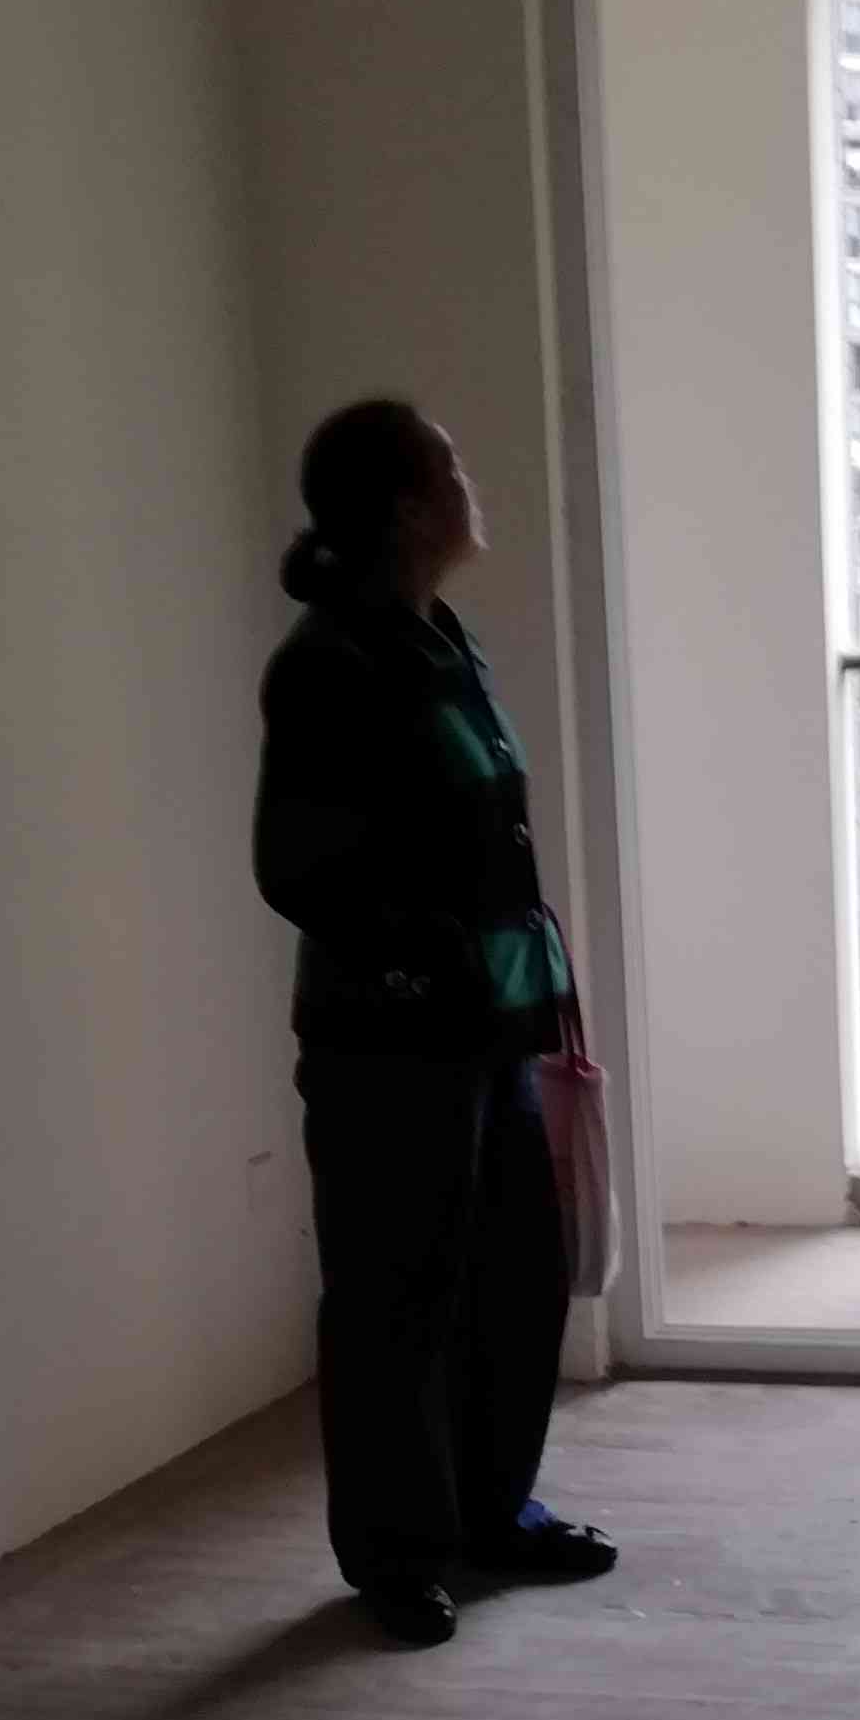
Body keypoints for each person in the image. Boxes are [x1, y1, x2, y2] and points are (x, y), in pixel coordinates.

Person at [252, 398, 616, 1647]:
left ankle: (489, 1511)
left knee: (513, 1277)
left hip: (485, 1031)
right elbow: (297, 868)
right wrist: (434, 954)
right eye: (451, 466)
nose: (472, 482)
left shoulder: (437, 638)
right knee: (392, 1297)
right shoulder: (327, 663)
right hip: (387, 1042)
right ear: (409, 507)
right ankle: (395, 1556)